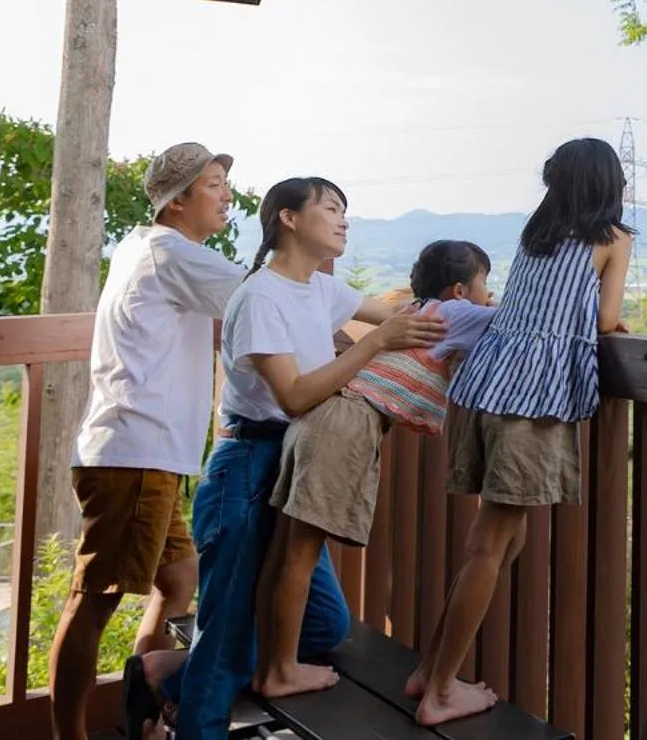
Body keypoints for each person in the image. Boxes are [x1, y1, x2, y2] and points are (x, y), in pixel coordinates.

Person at [157, 176, 447, 740]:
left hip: (295, 460)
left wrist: (480, 311)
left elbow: (399, 314)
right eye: (332, 208)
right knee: (224, 636)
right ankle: (198, 715)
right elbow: (292, 395)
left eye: (346, 211)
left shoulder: (318, 288)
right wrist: (371, 345)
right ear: (289, 219)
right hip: (248, 464)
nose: (344, 220)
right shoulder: (260, 296)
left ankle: (166, 679)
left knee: (324, 623)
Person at [409, 138, 633, 725]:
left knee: (506, 540)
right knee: (491, 544)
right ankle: (438, 692)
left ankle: (427, 671)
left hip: (489, 385)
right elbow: (607, 319)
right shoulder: (611, 240)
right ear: (610, 184)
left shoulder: (537, 235)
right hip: (534, 399)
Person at [49, 143, 243, 740]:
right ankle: (70, 735)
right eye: (214, 185)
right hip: (136, 456)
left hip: (141, 455)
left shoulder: (142, 245)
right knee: (96, 599)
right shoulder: (169, 252)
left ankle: (143, 718)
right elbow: (271, 300)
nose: (227, 196)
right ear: (178, 200)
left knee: (179, 581)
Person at [253, 240, 497, 698]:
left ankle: (271, 664)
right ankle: (280, 671)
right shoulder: (457, 313)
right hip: (348, 424)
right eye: (486, 283)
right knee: (299, 558)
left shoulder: (415, 309)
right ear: (461, 289)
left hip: (323, 416)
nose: (489, 293)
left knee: (285, 554)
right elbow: (521, 323)